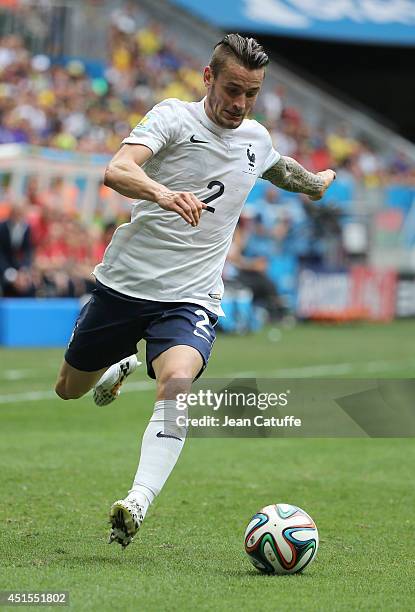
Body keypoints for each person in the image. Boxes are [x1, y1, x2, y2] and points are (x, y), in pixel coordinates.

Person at [54, 34, 335, 548]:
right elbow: (117, 169)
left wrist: (313, 182)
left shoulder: (255, 137)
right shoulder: (173, 118)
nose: (240, 103)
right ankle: (119, 363)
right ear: (208, 78)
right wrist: (164, 193)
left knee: (178, 382)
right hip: (125, 285)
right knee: (69, 388)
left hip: (191, 296)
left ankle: (136, 500)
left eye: (251, 93)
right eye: (232, 89)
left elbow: (279, 169)